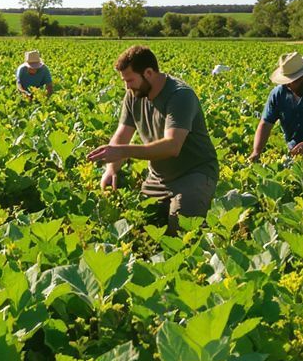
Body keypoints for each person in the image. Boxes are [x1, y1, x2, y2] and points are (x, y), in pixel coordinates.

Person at [87, 45, 219, 234]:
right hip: (158, 179)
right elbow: (122, 135)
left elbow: (172, 146)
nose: (127, 87)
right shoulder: (134, 95)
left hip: (193, 175)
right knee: (138, 225)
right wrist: (111, 169)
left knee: (181, 230)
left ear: (149, 73)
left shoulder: (180, 95)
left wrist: (123, 151)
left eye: (130, 80)